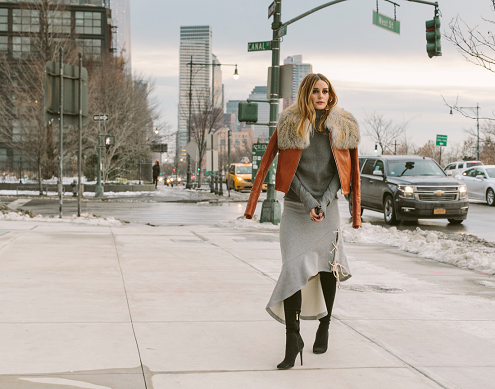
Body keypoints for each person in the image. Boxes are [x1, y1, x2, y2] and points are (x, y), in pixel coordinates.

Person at [244, 73, 362, 369]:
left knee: (327, 268)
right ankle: (292, 339)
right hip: (297, 208)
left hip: (329, 206)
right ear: (306, 95)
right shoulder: (290, 123)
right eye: (315, 92)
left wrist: (324, 201)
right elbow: (283, 170)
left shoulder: (343, 125)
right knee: (293, 268)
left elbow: (345, 173)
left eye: (325, 91)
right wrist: (309, 202)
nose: (321, 96)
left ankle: (325, 323)